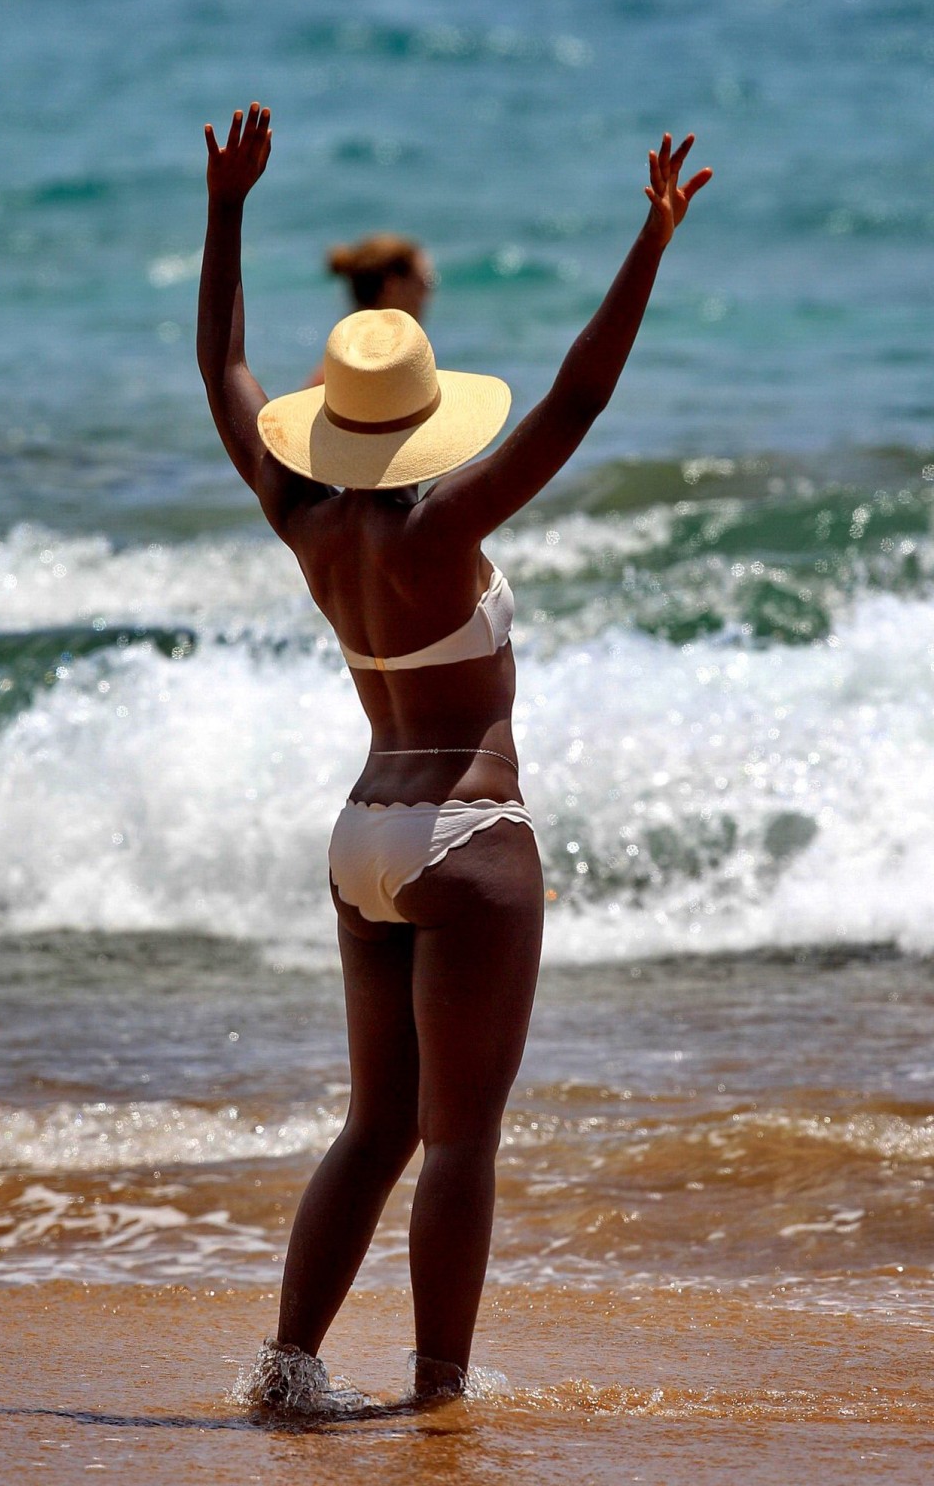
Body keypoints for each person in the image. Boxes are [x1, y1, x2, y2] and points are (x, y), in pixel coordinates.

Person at [197, 101, 710, 1407]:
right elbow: (581, 396)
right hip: (468, 839)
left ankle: (290, 1362)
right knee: (459, 1138)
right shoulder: (445, 523)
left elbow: (225, 372)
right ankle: (436, 1397)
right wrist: (651, 240)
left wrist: (228, 208)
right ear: (422, 418)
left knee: (374, 1128)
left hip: (363, 834)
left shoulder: (301, 513)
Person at [305, 232, 434, 386]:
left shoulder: (335, 370)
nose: (429, 295)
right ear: (392, 287)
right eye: (426, 283)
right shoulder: (386, 367)